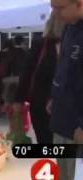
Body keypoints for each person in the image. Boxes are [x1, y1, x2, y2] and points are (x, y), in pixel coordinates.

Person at [14, 12, 65, 144]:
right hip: (41, 105)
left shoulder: (75, 43)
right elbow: (27, 73)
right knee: (46, 143)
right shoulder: (41, 44)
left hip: (67, 105)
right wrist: (18, 100)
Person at [49, 0, 83, 179]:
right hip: (62, 120)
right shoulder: (69, 28)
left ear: (79, 4)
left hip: (77, 128)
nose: (54, 12)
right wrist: (55, 97)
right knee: (63, 174)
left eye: (59, 8)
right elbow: (64, 68)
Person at [0, 40, 14, 117]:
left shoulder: (0, 52)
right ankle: (6, 111)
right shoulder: (11, 53)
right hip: (6, 75)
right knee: (7, 94)